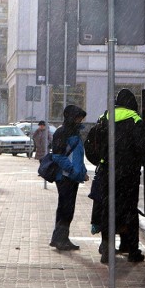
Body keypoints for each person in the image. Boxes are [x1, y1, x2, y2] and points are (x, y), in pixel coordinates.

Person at [97, 88, 145, 264]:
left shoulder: (105, 117)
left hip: (108, 173)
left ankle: (106, 250)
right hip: (128, 175)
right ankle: (132, 250)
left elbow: (96, 145)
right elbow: (140, 150)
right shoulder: (135, 119)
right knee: (130, 211)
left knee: (108, 210)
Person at [49, 105, 88, 251]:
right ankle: (60, 239)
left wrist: (81, 171)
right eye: (78, 117)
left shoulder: (75, 132)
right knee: (65, 208)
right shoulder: (62, 132)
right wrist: (72, 170)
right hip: (65, 177)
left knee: (68, 209)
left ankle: (61, 238)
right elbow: (58, 156)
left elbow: (78, 155)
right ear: (71, 117)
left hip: (73, 177)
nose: (80, 120)